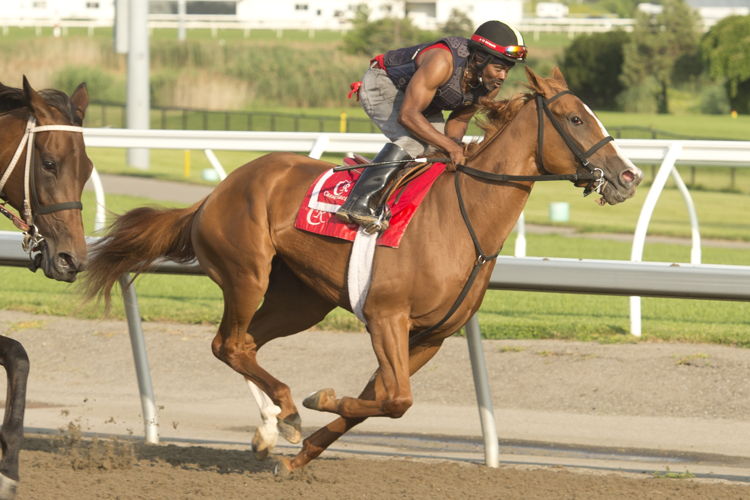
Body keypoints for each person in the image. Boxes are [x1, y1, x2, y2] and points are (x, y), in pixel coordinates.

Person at [336, 20, 528, 230]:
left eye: (507, 70)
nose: (503, 76)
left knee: (437, 149)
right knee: (415, 142)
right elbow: (408, 116)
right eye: (499, 68)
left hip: (419, 99)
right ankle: (358, 202)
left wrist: (452, 149)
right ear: (480, 58)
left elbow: (459, 120)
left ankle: (401, 202)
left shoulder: (489, 84)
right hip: (383, 84)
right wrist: (452, 147)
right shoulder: (441, 61)